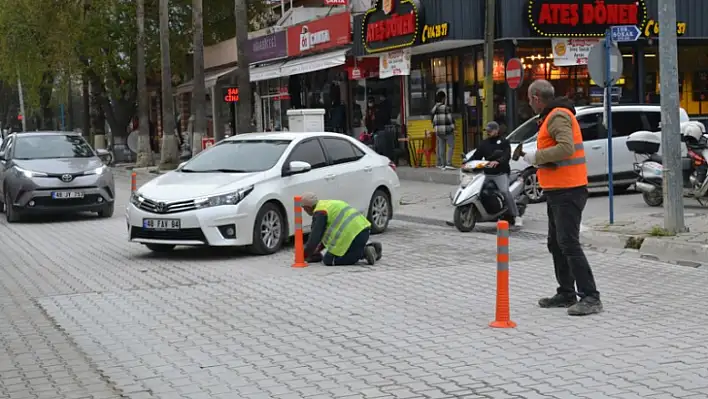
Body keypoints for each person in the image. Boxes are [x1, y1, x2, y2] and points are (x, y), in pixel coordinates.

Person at [514, 79, 602, 316]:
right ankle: (566, 293)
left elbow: (566, 148)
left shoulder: (558, 116)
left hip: (569, 189)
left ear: (535, 97)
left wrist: (535, 156)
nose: (529, 104)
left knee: (569, 243)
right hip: (557, 189)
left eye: (529, 100)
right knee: (556, 243)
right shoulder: (550, 117)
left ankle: (591, 297)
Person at [301, 192, 383, 266]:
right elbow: (322, 235)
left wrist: (304, 255)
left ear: (308, 207)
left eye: (304, 208)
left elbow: (315, 237)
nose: (304, 210)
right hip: (364, 229)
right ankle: (374, 248)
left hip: (352, 236)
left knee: (329, 260)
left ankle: (364, 253)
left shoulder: (320, 213)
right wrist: (317, 250)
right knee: (347, 250)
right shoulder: (326, 205)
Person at [470, 121, 519, 226]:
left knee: (505, 191)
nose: (488, 132)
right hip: (486, 174)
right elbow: (476, 155)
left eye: (490, 130)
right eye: (487, 131)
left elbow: (506, 155)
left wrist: (498, 161)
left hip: (500, 173)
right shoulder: (484, 143)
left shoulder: (504, 142)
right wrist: (466, 162)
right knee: (475, 190)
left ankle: (516, 215)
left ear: (496, 131)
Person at [431, 91, 456, 170]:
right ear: (443, 98)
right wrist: (453, 127)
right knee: (451, 146)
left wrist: (436, 128)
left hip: (438, 131)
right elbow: (450, 119)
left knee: (441, 147)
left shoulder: (433, 109)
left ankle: (442, 164)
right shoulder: (446, 108)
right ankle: (449, 163)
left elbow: (433, 121)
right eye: (445, 98)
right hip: (447, 130)